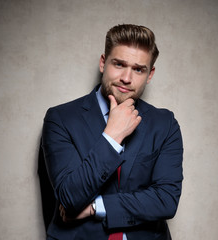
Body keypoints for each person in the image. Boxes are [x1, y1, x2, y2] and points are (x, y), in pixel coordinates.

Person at [41, 24, 183, 240]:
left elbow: (166, 200)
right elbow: (69, 197)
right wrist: (112, 136)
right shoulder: (60, 118)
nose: (127, 78)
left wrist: (95, 207)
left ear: (150, 74)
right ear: (103, 62)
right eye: (119, 64)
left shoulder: (165, 124)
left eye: (138, 69)